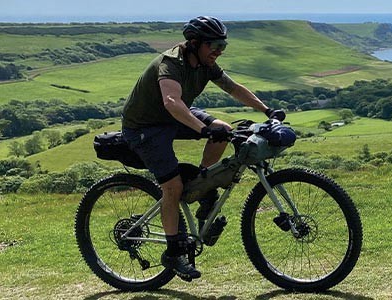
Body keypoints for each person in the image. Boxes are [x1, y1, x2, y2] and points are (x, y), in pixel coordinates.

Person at [120, 16, 285, 281]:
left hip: (175, 114)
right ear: (195, 44)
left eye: (223, 45)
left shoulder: (207, 64)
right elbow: (172, 101)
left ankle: (203, 187)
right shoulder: (171, 63)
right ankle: (173, 252)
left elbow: (233, 88)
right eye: (215, 45)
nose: (219, 51)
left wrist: (266, 109)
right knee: (172, 187)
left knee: (224, 129)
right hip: (146, 126)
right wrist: (202, 129)